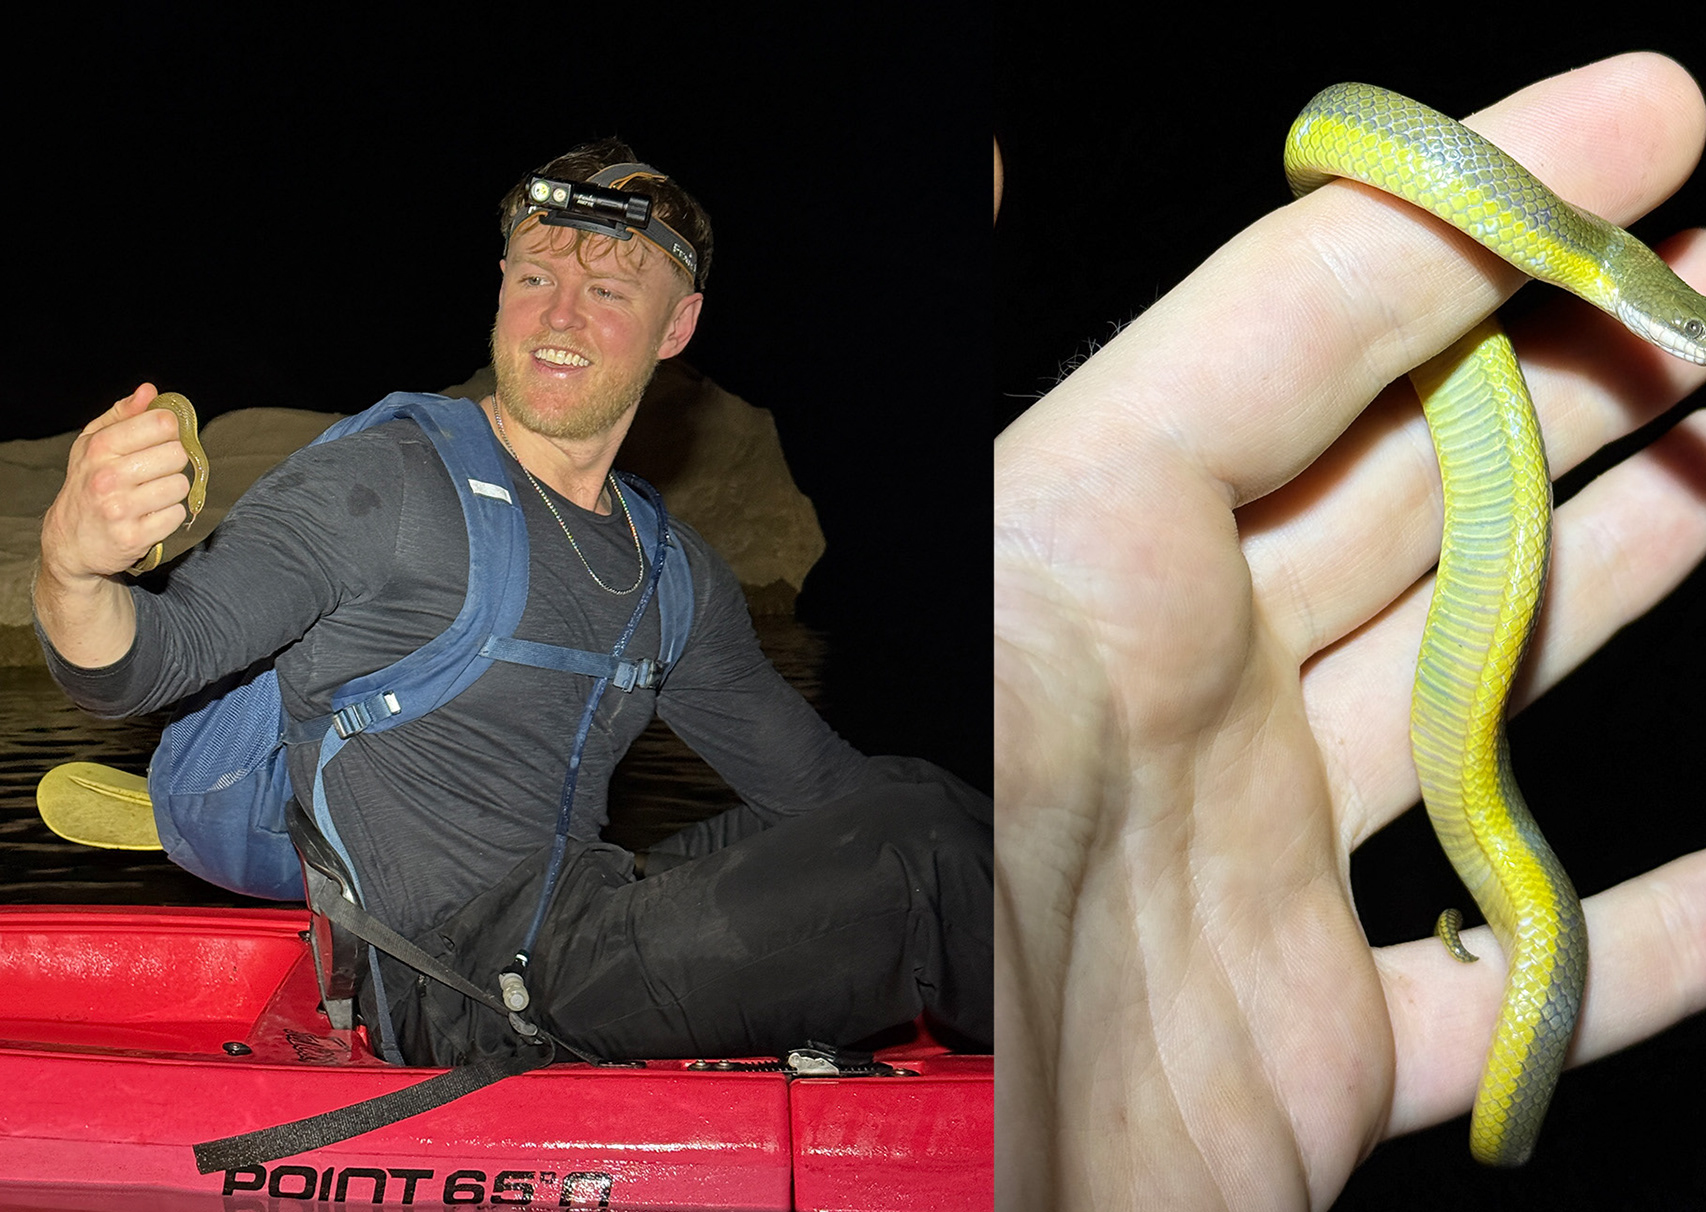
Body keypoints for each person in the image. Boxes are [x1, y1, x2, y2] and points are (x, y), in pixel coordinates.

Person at [994, 53, 1706, 1212]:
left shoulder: (1588, 257)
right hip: (1394, 153)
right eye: (1685, 324)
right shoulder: (1562, 237)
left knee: (1535, 932)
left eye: (1692, 331)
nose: (1695, 341)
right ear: (1632, 286)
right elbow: (1335, 129)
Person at [33, 140, 990, 1068]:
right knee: (923, 854)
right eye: (536, 278)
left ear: (677, 328)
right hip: (461, 991)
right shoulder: (383, 486)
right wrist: (72, 570)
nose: (559, 316)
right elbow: (140, 665)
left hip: (588, 920)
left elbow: (820, 790)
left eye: (608, 292)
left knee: (916, 797)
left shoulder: (670, 568)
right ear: (501, 288)